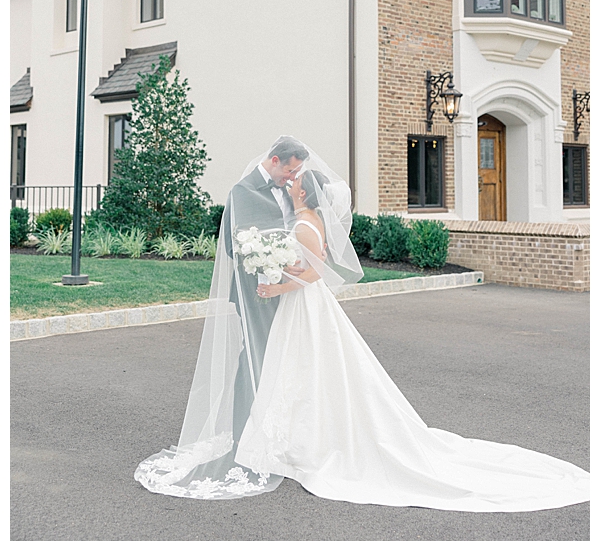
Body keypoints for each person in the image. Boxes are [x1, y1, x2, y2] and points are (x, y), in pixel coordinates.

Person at [135, 139, 589, 511]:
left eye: (296, 179)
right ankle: (253, 435)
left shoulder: (305, 219)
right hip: (277, 300)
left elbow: (313, 267)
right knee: (274, 368)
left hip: (296, 303)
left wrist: (278, 280)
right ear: (276, 161)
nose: (290, 181)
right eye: (288, 173)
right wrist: (267, 268)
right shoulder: (258, 198)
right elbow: (248, 245)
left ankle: (293, 441)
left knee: (299, 372)